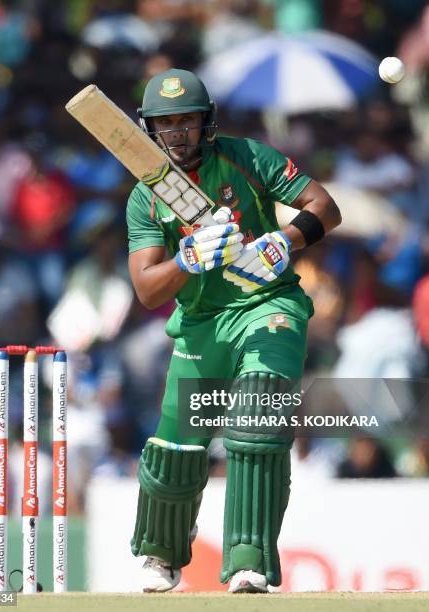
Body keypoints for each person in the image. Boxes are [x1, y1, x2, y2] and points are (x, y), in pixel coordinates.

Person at [126, 68, 341, 593]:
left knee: (259, 411)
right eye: (165, 123)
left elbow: (326, 207)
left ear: (207, 123)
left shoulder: (248, 158)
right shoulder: (148, 195)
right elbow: (149, 290)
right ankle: (162, 552)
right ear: (149, 130)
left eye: (187, 120)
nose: (177, 132)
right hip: (201, 323)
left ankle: (249, 558)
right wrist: (187, 260)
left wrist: (282, 242)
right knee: (176, 448)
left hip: (268, 304)